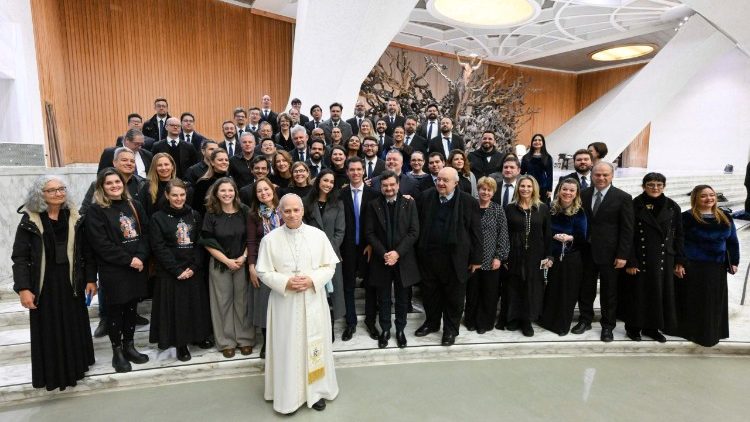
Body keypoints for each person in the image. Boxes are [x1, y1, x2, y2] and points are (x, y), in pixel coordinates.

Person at [256, 194, 340, 414]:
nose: (292, 215)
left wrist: (312, 280)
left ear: (303, 211)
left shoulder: (318, 235)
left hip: (313, 299)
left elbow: (329, 266)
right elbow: (263, 271)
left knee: (315, 345)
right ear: (280, 212)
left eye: (296, 210)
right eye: (287, 211)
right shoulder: (270, 240)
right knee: (288, 347)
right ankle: (289, 397)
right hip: (285, 304)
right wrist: (285, 282)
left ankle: (317, 392)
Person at [12, 175, 96, 390]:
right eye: (52, 190)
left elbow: (87, 252)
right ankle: (53, 375)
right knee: (49, 330)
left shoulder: (75, 217)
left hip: (71, 281)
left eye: (61, 189)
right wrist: (23, 288)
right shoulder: (30, 220)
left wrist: (90, 279)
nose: (58, 193)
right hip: (43, 285)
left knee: (73, 326)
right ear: (40, 195)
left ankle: (76, 368)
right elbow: (20, 257)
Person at [85, 168, 150, 372]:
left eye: (117, 182)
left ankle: (129, 345)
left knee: (131, 308)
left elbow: (146, 233)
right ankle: (117, 351)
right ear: (101, 187)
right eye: (109, 183)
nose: (114, 186)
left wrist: (140, 256)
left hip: (136, 267)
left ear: (123, 184)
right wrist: (129, 260)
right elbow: (100, 244)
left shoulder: (134, 204)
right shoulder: (96, 211)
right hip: (114, 270)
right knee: (115, 311)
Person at [415, 167, 481, 346]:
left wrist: (476, 259)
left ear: (456, 183)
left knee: (454, 298)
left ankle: (450, 330)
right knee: (430, 294)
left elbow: (476, 232)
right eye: (438, 179)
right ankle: (432, 323)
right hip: (429, 257)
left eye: (445, 180)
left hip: (456, 259)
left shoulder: (468, 202)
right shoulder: (426, 197)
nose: (441, 183)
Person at [148, 179, 213, 361]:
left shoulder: (194, 215)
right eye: (174, 195)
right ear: (167, 195)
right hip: (171, 271)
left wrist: (194, 266)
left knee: (196, 305)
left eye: (182, 195)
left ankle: (199, 336)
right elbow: (159, 247)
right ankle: (181, 343)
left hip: (192, 268)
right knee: (178, 309)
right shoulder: (158, 218)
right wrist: (176, 270)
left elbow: (200, 243)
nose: (179, 198)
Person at [572, 162, 634, 342]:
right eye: (597, 174)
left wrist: (623, 255)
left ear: (612, 176)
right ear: (592, 175)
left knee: (609, 292)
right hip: (586, 252)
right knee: (586, 289)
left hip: (611, 254)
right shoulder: (583, 194)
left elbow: (627, 229)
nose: (601, 178)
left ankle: (608, 326)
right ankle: (585, 319)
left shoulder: (623, 197)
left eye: (605, 175)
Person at [675, 185, 739, 347]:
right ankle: (692, 332)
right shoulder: (686, 217)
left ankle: (713, 333)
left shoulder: (725, 216)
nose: (709, 198)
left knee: (714, 302)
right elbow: (678, 242)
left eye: (712, 195)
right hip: (693, 266)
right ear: (695, 198)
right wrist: (679, 263)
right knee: (695, 301)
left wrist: (734, 262)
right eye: (703, 196)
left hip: (717, 266)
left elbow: (732, 241)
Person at [624, 173, 683, 342]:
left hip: (664, 257)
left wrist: (679, 260)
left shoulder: (672, 206)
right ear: (643, 186)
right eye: (650, 184)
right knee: (638, 294)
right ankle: (633, 327)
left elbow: (679, 234)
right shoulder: (634, 205)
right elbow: (627, 234)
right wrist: (631, 260)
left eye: (659, 185)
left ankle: (652, 328)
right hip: (640, 257)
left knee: (658, 294)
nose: (655, 188)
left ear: (664, 186)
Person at [200, 178, 254, 358]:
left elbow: (252, 237)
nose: (227, 194)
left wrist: (244, 257)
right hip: (220, 264)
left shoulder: (245, 210)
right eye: (222, 190)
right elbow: (207, 241)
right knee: (222, 303)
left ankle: (245, 339)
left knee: (242, 302)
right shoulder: (211, 213)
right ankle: (226, 341)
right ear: (216, 193)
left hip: (241, 262)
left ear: (235, 192)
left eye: (230, 190)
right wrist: (226, 261)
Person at [364, 170, 419, 348]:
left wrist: (397, 253)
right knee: (384, 298)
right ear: (381, 187)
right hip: (382, 259)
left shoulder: (409, 203)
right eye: (385, 185)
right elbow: (369, 233)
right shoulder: (373, 205)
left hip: (403, 259)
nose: (388, 188)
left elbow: (414, 232)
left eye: (392, 185)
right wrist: (385, 254)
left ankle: (400, 330)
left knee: (403, 299)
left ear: (398, 185)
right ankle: (385, 329)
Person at [537, 178, 588, 336]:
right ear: (559, 190)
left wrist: (569, 237)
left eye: (572, 190)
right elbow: (542, 229)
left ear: (576, 193)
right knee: (551, 290)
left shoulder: (580, 212)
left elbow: (583, 237)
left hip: (570, 258)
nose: (567, 193)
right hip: (551, 256)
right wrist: (553, 235)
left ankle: (561, 325)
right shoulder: (549, 208)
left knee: (567, 292)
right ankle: (546, 321)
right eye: (564, 189)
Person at [503, 175, 552, 337]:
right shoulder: (509, 208)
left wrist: (549, 256)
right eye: (522, 186)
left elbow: (547, 233)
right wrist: (504, 256)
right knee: (514, 285)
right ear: (518, 188)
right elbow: (504, 234)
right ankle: (513, 317)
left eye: (529, 186)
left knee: (532, 287)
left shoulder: (542, 208)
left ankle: (527, 320)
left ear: (534, 188)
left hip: (535, 254)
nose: (525, 189)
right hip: (514, 254)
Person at [339, 157, 379, 341]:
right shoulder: (341, 194)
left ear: (364, 171)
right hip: (346, 248)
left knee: (370, 285)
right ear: (347, 172)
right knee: (348, 286)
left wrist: (372, 243)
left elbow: (377, 223)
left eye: (358, 169)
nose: (355, 173)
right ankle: (351, 323)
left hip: (368, 247)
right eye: (352, 170)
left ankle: (371, 321)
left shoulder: (374, 194)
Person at [303, 169, 346, 338]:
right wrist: (313, 251)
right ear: (318, 181)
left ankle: (330, 328)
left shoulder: (338, 204)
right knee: (315, 293)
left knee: (332, 294)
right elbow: (302, 229)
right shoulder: (306, 202)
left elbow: (340, 232)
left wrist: (326, 252)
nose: (328, 184)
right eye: (325, 180)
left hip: (331, 255)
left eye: (331, 182)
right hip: (310, 255)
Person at [463, 177, 509, 334]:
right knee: (472, 291)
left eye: (489, 190)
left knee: (489, 293)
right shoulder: (470, 207)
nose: (486, 192)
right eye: (483, 189)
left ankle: (484, 323)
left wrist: (498, 257)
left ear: (493, 192)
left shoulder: (498, 210)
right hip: (471, 259)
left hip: (491, 259)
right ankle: (470, 320)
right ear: (478, 190)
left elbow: (503, 235)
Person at [246, 177, 281, 359]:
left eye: (266, 189)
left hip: (284, 263)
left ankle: (283, 340)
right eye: (259, 191)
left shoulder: (284, 209)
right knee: (264, 304)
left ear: (272, 190)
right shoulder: (254, 215)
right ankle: (267, 342)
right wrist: (252, 266)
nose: (263, 193)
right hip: (263, 263)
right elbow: (252, 241)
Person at [139, 152, 191, 217]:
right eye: (159, 165)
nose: (163, 168)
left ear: (172, 166)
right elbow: (142, 212)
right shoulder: (146, 187)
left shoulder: (183, 186)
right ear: (155, 168)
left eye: (166, 164)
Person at [191, 149, 231, 216]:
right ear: (212, 162)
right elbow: (197, 209)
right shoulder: (203, 183)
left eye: (226, 160)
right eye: (220, 160)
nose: (224, 162)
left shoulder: (231, 180)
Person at [521, 134, 554, 203]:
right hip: (529, 186)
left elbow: (549, 174)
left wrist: (549, 189)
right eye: (535, 140)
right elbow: (522, 172)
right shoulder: (526, 157)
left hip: (543, 187)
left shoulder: (547, 157)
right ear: (532, 142)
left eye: (539, 140)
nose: (537, 142)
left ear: (543, 142)